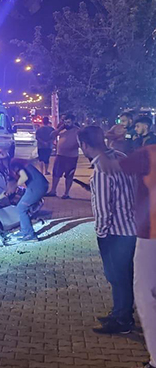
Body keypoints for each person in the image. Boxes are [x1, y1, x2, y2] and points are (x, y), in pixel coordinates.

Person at [96, 145, 156, 368]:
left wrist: (102, 148)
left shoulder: (148, 153)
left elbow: (108, 168)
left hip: (151, 234)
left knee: (145, 297)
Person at [78, 126, 138, 335]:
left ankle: (123, 320)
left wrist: (101, 234)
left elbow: (104, 209)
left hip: (115, 233)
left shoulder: (101, 171)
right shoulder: (120, 156)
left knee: (117, 276)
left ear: (84, 145)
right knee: (123, 274)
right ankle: (119, 312)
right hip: (131, 227)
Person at [0, 158, 48, 241]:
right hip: (38, 185)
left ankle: (29, 235)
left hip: (37, 186)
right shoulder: (12, 168)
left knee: (21, 208)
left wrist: (15, 185)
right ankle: (25, 230)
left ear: (1, 161)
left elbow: (24, 177)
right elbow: (9, 190)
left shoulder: (14, 164)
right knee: (22, 207)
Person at [46, 113, 80, 199]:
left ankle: (66, 193)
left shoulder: (78, 131)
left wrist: (74, 146)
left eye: (68, 122)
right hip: (60, 155)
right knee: (56, 174)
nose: (66, 124)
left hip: (72, 157)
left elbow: (81, 143)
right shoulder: (61, 129)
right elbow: (51, 136)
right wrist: (59, 129)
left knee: (69, 175)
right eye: (65, 122)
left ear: (73, 121)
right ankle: (53, 191)